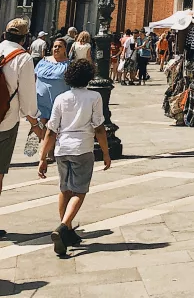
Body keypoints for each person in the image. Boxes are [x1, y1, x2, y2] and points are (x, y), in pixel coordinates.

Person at [38, 59, 111, 257]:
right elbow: (99, 128)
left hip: (62, 149)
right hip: (82, 148)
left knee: (65, 188)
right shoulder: (95, 97)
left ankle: (68, 231)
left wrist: (43, 157)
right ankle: (63, 228)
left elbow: (51, 130)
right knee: (79, 191)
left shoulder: (61, 98)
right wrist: (105, 152)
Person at [0, 18, 44, 230]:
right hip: (5, 122)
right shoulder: (23, 58)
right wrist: (35, 124)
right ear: (25, 38)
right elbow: (27, 98)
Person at [35, 37, 70, 130]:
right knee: (39, 128)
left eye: (60, 46)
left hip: (58, 103)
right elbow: (34, 76)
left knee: (54, 130)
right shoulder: (43, 61)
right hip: (41, 102)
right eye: (55, 46)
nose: (56, 48)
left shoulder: (68, 65)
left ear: (65, 49)